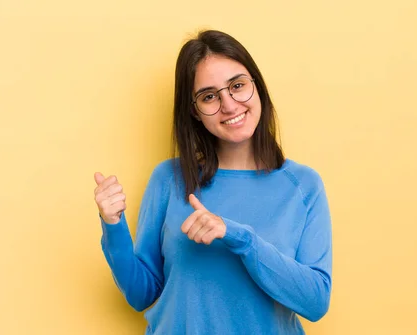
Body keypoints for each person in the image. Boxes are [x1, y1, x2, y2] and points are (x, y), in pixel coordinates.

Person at [93, 29, 332, 334]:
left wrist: (240, 238)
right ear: (195, 111)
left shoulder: (303, 185)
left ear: (257, 86)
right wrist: (113, 226)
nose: (230, 106)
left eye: (237, 86)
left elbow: (315, 302)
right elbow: (142, 295)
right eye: (209, 96)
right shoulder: (169, 179)